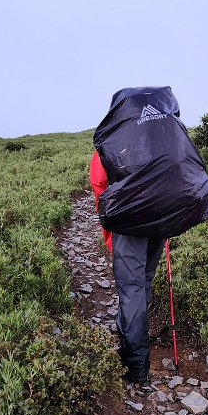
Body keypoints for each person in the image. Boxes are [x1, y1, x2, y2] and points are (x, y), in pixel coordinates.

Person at [89, 149, 165, 384]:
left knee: (131, 288)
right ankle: (130, 336)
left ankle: (136, 366)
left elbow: (98, 181)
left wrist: (109, 223)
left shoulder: (115, 133)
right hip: (160, 214)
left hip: (128, 218)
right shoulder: (162, 127)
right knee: (144, 280)